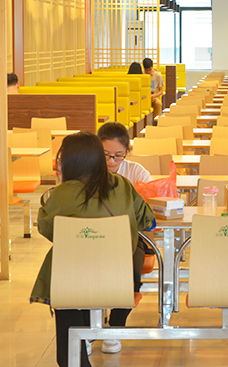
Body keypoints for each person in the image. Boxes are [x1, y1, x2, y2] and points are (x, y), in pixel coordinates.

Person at [30, 132, 155, 367]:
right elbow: (147, 220)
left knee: (68, 348)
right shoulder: (122, 185)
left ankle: (74, 355)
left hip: (71, 280)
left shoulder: (60, 195)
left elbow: (47, 230)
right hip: (118, 277)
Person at [95, 122, 151, 354]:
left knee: (132, 268)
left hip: (131, 236)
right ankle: (88, 329)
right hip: (95, 237)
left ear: (127, 151)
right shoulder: (87, 172)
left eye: (118, 155)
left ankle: (115, 327)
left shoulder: (137, 173)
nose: (111, 161)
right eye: (106, 155)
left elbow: (147, 212)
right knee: (84, 272)